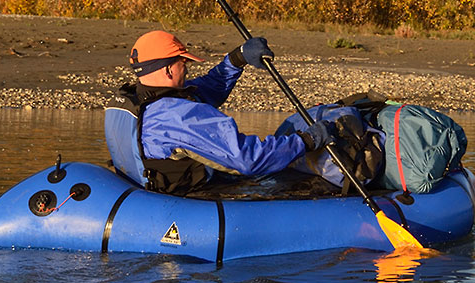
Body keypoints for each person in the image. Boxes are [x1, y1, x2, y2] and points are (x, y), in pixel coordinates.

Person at [105, 30, 332, 195]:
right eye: (184, 62)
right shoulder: (178, 116)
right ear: (168, 69)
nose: (187, 68)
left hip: (146, 194)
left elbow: (204, 89)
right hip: (189, 203)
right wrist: (307, 141)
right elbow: (247, 159)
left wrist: (236, 59)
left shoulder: (136, 101)